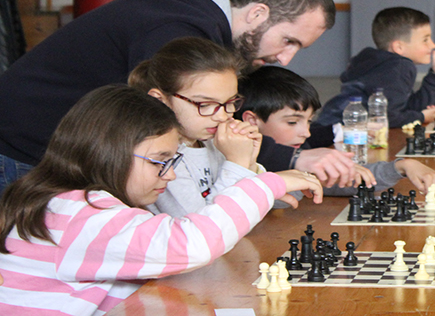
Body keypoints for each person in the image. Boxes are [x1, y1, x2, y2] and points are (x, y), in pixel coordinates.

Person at [0, 0, 357, 193]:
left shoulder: (203, 17)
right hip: (27, 145)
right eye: (288, 40)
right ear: (258, 13)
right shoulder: (176, 29)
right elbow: (178, 124)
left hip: (64, 144)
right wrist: (291, 160)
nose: (286, 57)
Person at [0, 85, 323, 316]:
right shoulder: (77, 214)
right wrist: (269, 183)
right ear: (111, 153)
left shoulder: (74, 205)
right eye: (160, 161)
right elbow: (191, 243)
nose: (169, 175)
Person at [237, 65, 435, 195]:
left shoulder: (299, 150)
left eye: (308, 121)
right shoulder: (238, 167)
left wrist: (402, 166)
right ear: (252, 121)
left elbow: (342, 181)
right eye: (292, 122)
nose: (306, 133)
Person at [127, 36, 268, 217]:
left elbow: (265, 204)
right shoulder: (162, 157)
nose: (223, 116)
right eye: (205, 105)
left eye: (230, 102)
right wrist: (237, 162)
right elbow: (202, 228)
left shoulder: (214, 140)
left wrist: (250, 161)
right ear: (160, 100)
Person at [315, 7, 435, 129]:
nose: (432, 45)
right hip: (339, 133)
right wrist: (421, 117)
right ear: (399, 47)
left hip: (329, 124)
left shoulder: (385, 64)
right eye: (425, 40)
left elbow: (405, 107)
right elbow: (387, 118)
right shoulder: (400, 66)